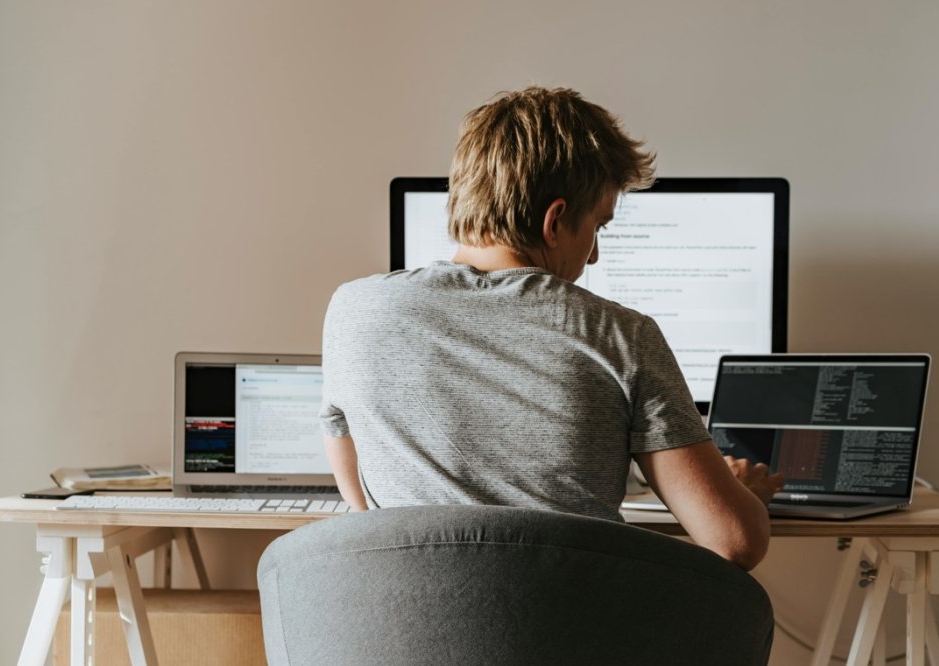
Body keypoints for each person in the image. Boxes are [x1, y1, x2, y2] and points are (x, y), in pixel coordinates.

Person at [320, 86, 784, 570]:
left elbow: (365, 516)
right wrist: (742, 495)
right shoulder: (621, 335)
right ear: (555, 220)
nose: (596, 254)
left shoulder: (353, 310)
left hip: (402, 634)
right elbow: (734, 542)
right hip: (572, 639)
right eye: (598, 227)